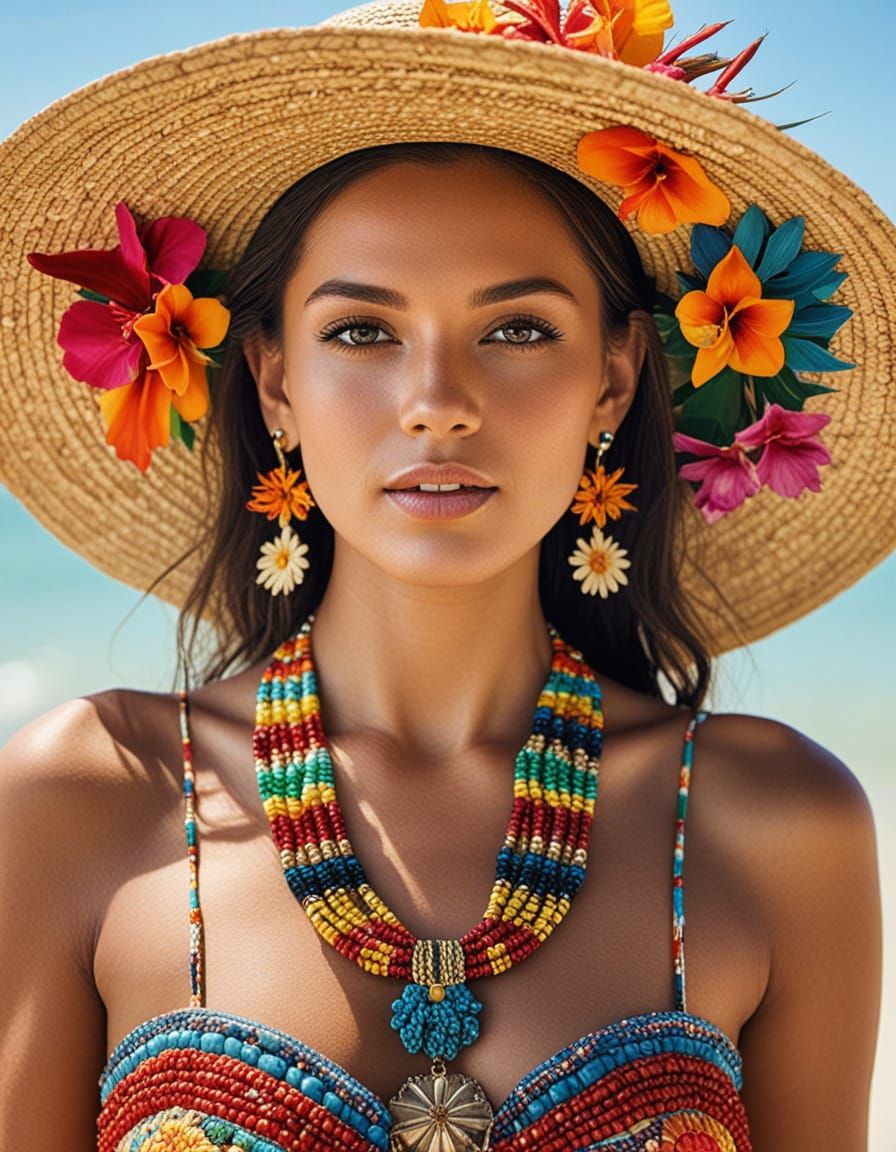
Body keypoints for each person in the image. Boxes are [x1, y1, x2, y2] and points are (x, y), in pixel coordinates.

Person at [0, 2, 888, 1150]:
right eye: (362, 332)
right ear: (272, 381)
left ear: (614, 381)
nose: (437, 400)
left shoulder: (774, 823)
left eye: (516, 329)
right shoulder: (87, 797)